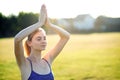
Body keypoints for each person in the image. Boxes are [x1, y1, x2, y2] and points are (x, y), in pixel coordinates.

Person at [14, 4, 70, 80]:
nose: (43, 41)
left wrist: (49, 25)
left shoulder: (48, 60)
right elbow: (17, 39)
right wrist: (39, 23)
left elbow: (66, 37)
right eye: (39, 39)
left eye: (44, 38)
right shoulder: (24, 64)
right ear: (29, 43)